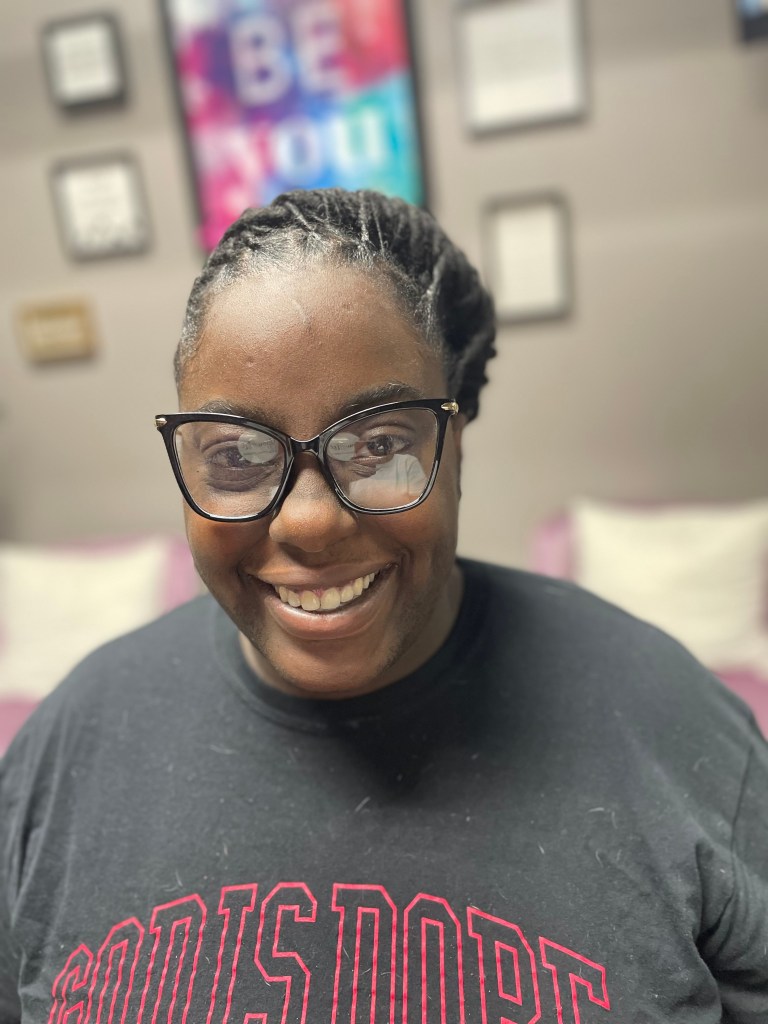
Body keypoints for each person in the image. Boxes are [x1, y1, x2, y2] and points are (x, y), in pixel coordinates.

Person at [1, 189, 766, 1023]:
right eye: (235, 455)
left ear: (454, 447)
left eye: (378, 445)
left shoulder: (674, 727)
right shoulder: (64, 751)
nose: (309, 521)